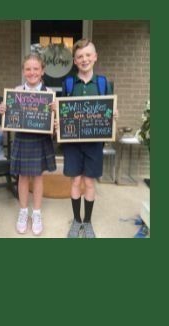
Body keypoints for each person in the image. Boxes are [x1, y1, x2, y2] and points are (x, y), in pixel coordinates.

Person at [59, 40, 115, 237]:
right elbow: (63, 112)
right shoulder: (68, 83)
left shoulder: (102, 83)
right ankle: (76, 220)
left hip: (94, 144)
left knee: (90, 182)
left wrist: (113, 115)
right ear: (75, 61)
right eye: (80, 56)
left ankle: (88, 222)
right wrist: (58, 120)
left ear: (95, 56)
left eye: (88, 55)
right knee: (75, 181)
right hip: (72, 143)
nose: (84, 59)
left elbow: (110, 110)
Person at [3, 53, 56, 235]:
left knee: (38, 177)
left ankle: (37, 213)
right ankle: (23, 212)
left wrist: (56, 113)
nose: (32, 72)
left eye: (36, 69)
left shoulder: (49, 94)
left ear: (42, 71)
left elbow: (55, 125)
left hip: (40, 140)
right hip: (23, 139)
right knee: (23, 177)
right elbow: (9, 118)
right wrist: (3, 109)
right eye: (28, 69)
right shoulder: (16, 91)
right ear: (23, 71)